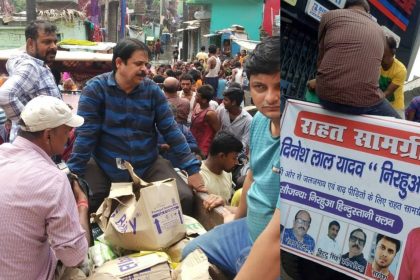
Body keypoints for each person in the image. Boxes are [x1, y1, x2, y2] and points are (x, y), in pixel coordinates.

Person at [67, 38, 207, 216]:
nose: (145, 69)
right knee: (88, 199)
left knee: (183, 197)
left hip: (147, 163)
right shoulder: (95, 90)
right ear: (119, 63)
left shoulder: (152, 91)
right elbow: (86, 136)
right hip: (105, 163)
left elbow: (171, 130)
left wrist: (192, 170)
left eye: (146, 64)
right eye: (138, 63)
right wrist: (74, 176)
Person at [182, 36, 280, 277]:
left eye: (279, 87)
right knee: (190, 254)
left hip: (276, 244)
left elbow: (278, 233)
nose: (270, 97)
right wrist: (237, 215)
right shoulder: (259, 121)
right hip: (247, 228)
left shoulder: (302, 138)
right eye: (260, 87)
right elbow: (252, 177)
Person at [0, 95, 88, 279]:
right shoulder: (52, 180)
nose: (69, 137)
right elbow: (74, 256)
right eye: (66, 131)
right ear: (48, 134)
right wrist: (82, 204)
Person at [315, 0, 400, 118]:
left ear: (345, 8)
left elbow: (321, 59)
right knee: (401, 125)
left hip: (325, 96)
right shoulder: (380, 31)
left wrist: (320, 83)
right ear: (368, 13)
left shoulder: (329, 16)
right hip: (363, 103)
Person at [0, 20, 61, 142]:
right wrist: (29, 127)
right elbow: (5, 95)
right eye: (47, 42)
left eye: (55, 42)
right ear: (30, 44)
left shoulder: (38, 63)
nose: (54, 46)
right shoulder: (30, 66)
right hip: (35, 144)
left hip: (37, 144)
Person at [199, 131, 243, 210]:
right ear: (222, 156)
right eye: (234, 158)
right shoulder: (199, 177)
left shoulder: (227, 173)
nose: (236, 162)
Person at [217, 84, 252, 154]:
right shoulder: (221, 110)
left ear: (234, 102)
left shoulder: (248, 119)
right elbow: (217, 130)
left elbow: (245, 142)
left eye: (226, 100)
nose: (223, 102)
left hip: (236, 153)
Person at [379, 36, 407, 118]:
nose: (381, 57)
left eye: (384, 56)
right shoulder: (376, 62)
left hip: (396, 108)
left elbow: (387, 93)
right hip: (379, 102)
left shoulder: (401, 70)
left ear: (392, 53)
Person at [190, 85, 220, 157]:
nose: (195, 96)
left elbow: (218, 131)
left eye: (197, 96)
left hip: (203, 146)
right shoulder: (197, 105)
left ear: (204, 100)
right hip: (193, 141)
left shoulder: (210, 114)